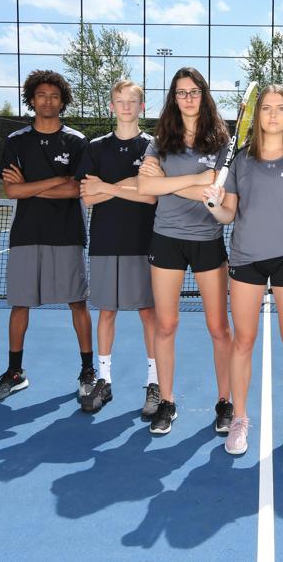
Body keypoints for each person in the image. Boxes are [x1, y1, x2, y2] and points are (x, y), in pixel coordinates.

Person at [203, 85, 283, 457]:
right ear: (258, 117)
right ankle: (239, 419)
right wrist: (213, 206)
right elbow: (229, 214)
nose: (273, 115)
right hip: (246, 259)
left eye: (280, 108)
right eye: (266, 109)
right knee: (243, 341)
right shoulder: (241, 160)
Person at [137, 67, 234, 435]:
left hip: (208, 240)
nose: (188, 98)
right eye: (181, 92)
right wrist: (195, 180)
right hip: (166, 238)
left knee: (218, 327)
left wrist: (167, 183)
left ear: (203, 95)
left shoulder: (221, 141)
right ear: (173, 98)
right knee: (166, 324)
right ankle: (167, 401)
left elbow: (218, 194)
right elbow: (147, 186)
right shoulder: (161, 139)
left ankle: (225, 402)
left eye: (193, 91)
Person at [0, 70, 92, 402]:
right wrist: (53, 182)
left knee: (78, 302)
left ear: (63, 102)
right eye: (42, 95)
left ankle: (88, 370)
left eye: (54, 96)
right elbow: (12, 190)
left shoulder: (77, 141)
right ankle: (15, 372)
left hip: (67, 233)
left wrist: (30, 187)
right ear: (31, 99)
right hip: (26, 234)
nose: (48, 101)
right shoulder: (15, 142)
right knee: (20, 305)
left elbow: (76, 189)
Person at [76, 80, 159, 416]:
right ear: (111, 106)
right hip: (105, 242)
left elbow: (151, 194)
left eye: (132, 101)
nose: (126, 106)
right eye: (120, 101)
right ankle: (105, 379)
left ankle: (154, 382)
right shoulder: (95, 148)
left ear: (142, 106)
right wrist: (130, 185)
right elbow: (87, 196)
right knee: (106, 312)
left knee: (147, 313)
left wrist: (108, 186)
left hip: (144, 242)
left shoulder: (154, 146)